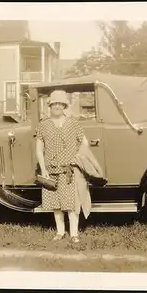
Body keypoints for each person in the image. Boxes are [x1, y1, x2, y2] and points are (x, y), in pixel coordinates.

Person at [35, 90, 89, 243]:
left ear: (64, 105)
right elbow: (39, 149)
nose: (57, 106)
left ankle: (73, 234)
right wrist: (43, 169)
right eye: (54, 103)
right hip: (50, 171)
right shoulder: (43, 125)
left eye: (60, 103)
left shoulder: (73, 123)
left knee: (71, 204)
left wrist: (76, 160)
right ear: (50, 105)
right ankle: (60, 232)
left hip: (69, 171)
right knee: (56, 204)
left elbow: (84, 143)